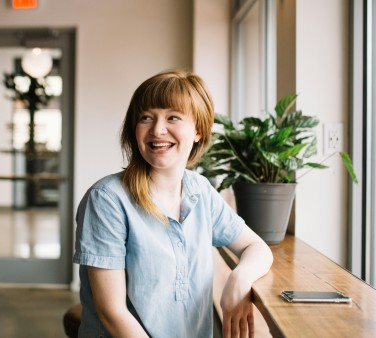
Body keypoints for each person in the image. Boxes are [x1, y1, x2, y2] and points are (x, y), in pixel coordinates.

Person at [73, 69, 273, 338]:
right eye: (146, 117)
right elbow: (112, 314)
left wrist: (240, 278)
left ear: (199, 131)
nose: (157, 130)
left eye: (173, 117)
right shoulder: (107, 199)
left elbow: (256, 247)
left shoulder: (200, 190)